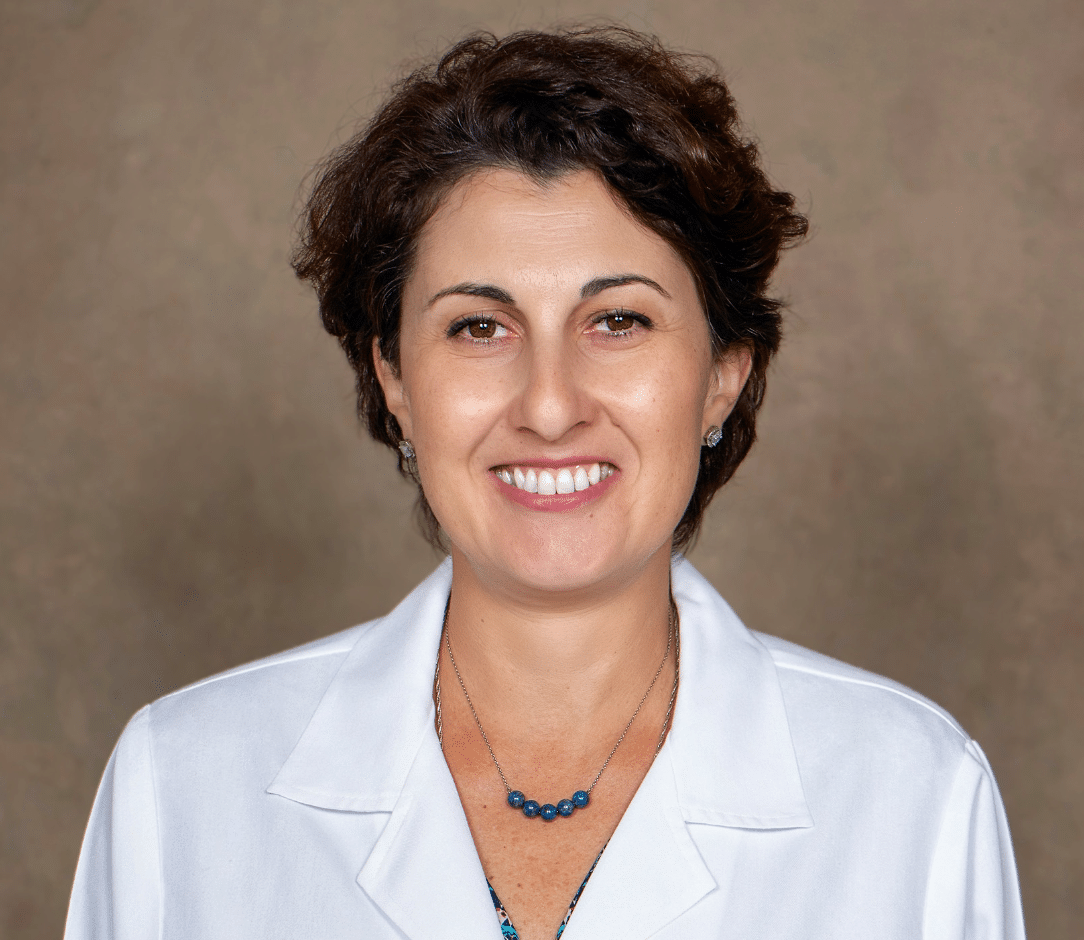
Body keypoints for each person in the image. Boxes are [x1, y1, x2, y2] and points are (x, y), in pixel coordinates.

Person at [65, 27, 1025, 940]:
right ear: (394, 379)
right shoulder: (183, 786)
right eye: (479, 327)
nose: (551, 405)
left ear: (723, 374)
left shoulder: (914, 798)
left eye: (619, 322)